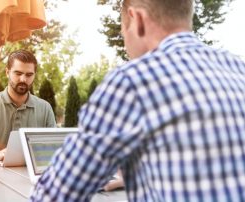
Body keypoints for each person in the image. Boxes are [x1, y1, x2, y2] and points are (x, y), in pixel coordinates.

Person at [30, 0, 245, 201]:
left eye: (124, 31)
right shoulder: (238, 69)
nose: (125, 44)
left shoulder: (132, 81)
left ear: (137, 19)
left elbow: (55, 194)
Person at [0, 50, 56, 162]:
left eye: (29, 75)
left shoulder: (45, 108)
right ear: (7, 72)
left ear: (34, 75)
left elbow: (54, 150)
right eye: (18, 73)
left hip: (32, 176)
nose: (23, 79)